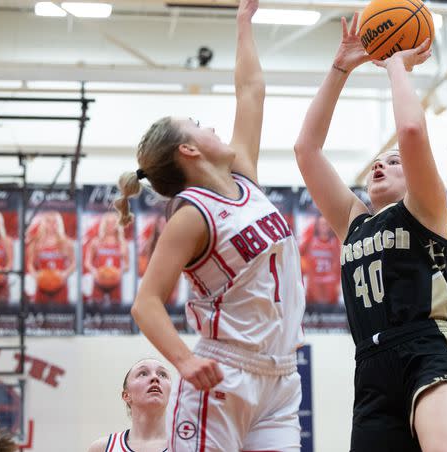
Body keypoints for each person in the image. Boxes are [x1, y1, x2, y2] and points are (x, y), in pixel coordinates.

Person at [114, 1, 306, 450]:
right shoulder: (191, 216)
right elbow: (146, 304)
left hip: (281, 375)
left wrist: (243, 23)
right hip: (225, 373)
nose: (213, 127)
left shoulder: (246, 181)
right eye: (198, 125)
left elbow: (251, 91)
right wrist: (182, 360)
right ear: (189, 150)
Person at [293, 14, 447, 452]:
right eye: (376, 162)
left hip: (428, 351)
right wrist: (340, 67)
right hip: (370, 369)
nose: (380, 164)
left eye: (393, 161)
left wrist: (396, 63)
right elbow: (306, 150)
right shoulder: (353, 222)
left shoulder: (426, 209)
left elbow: (412, 130)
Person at [87, 359, 171, 452]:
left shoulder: (185, 445)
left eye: (162, 375)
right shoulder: (101, 448)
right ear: (126, 395)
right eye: (143, 373)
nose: (155, 377)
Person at [26, 211, 75, 304]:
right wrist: (36, 276)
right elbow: (30, 264)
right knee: (40, 315)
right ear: (43, 223)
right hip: (42, 285)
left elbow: (74, 263)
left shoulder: (67, 243)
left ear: (59, 224)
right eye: (48, 221)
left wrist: (65, 274)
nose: (52, 225)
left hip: (60, 284)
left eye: (54, 222)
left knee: (62, 315)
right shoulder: (35, 243)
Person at [84, 212, 129, 304]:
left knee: (115, 311)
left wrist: (119, 272)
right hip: (99, 281)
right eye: (108, 223)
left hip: (115, 281)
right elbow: (87, 262)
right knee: (96, 309)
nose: (110, 226)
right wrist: (94, 272)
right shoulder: (95, 242)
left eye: (113, 223)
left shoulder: (123, 243)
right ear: (103, 225)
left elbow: (127, 265)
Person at [299, 214, 342, 305]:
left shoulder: (336, 242)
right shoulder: (310, 240)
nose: (324, 227)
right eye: (321, 224)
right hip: (314, 286)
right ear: (317, 226)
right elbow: (299, 253)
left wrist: (339, 283)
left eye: (326, 224)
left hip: (331, 286)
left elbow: (341, 263)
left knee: (331, 317)